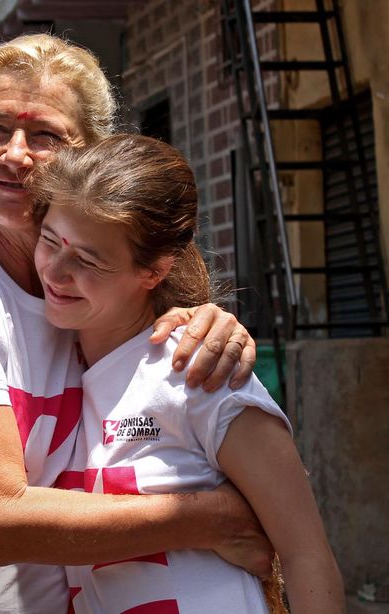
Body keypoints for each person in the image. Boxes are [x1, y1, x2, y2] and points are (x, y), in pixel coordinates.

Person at [0, 33, 266, 613]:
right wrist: (211, 517)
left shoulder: (88, 306)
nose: (14, 154)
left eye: (45, 135)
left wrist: (209, 323)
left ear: (93, 156)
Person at [29, 134, 343, 613]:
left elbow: (307, 555)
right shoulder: (50, 367)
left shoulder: (199, 371)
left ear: (153, 271)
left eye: (88, 260)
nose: (56, 270)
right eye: (50, 240)